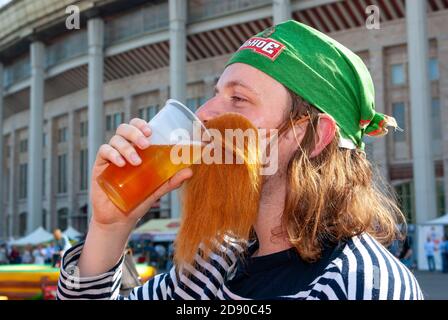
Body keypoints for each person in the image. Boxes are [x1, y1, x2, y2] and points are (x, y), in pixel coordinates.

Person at [57, 20, 422, 300]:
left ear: (313, 136)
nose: (204, 112)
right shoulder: (213, 262)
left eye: (239, 100)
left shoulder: (362, 285)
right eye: (216, 94)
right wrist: (109, 228)